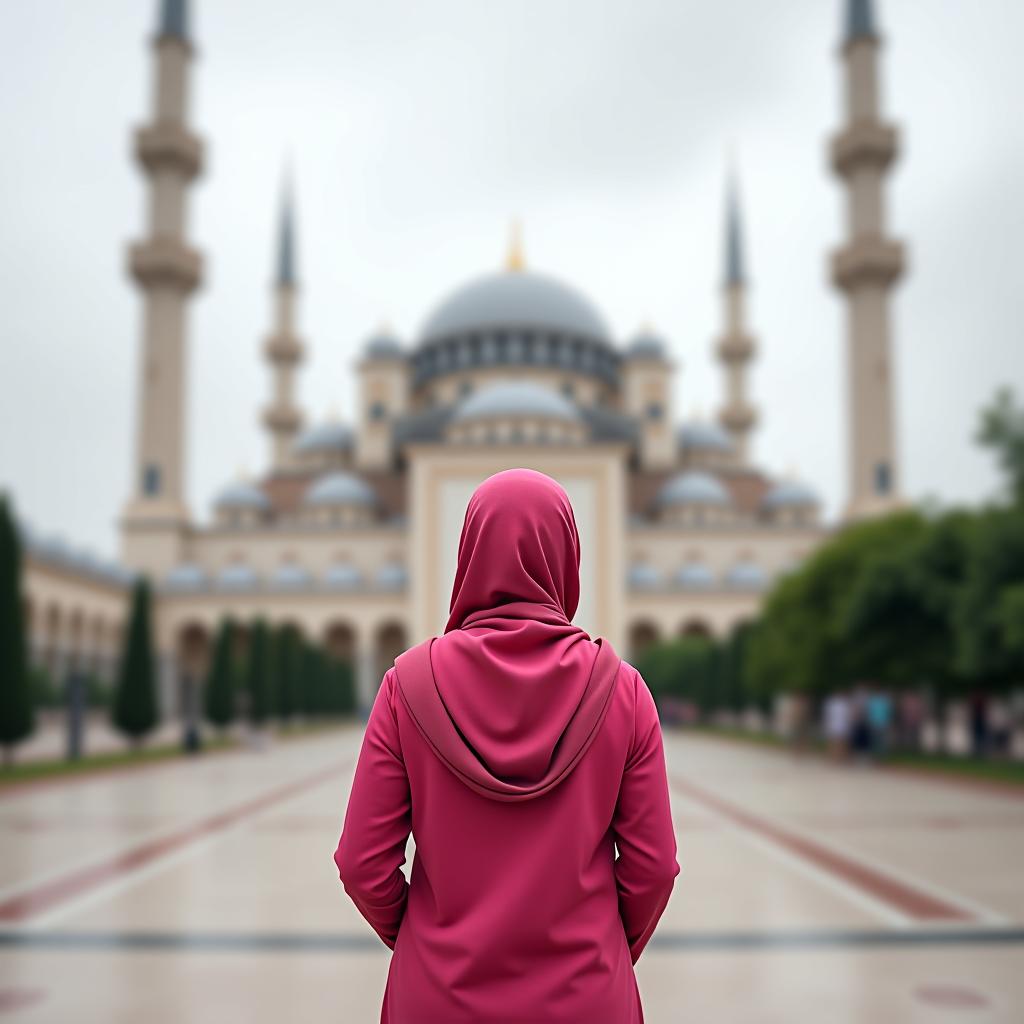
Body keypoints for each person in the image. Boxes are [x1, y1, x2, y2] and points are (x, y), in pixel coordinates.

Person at [333, 468, 680, 1024]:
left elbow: (360, 863)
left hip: (438, 998)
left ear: (470, 553)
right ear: (566, 556)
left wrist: (424, 940)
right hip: (586, 999)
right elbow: (655, 867)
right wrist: (606, 948)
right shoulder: (624, 690)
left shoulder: (407, 685)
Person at [823, 689, 850, 762]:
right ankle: (832, 757)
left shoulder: (845, 704)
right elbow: (828, 714)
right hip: (834, 724)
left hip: (842, 725)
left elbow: (848, 716)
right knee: (832, 742)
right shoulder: (832, 703)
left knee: (840, 743)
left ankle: (839, 758)